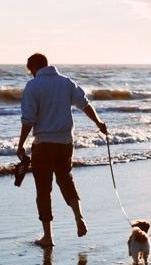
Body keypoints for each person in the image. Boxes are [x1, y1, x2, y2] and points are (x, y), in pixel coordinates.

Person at [17, 53, 108, 247]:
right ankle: (78, 217)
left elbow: (28, 119)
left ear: (33, 68)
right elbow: (85, 104)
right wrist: (99, 123)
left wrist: (20, 145)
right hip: (65, 143)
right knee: (65, 179)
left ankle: (48, 237)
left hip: (43, 145)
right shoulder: (66, 82)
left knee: (43, 190)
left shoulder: (33, 86)